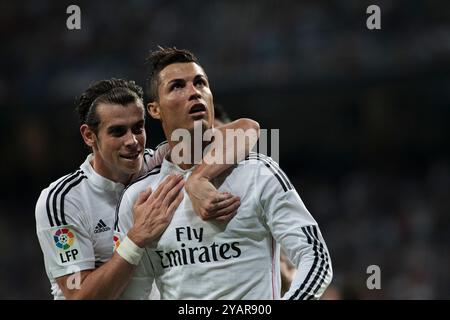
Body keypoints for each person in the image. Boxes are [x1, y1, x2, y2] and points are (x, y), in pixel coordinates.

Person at [115, 47, 332, 299]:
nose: (193, 92)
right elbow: (137, 293)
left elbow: (315, 258)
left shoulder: (258, 173)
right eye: (177, 86)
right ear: (154, 110)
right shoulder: (140, 198)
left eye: (200, 83)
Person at [35, 78, 260, 299]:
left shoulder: (160, 163)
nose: (132, 141)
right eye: (117, 131)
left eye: (138, 127)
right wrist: (136, 238)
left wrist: (198, 178)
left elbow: (247, 129)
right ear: (89, 136)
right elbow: (79, 296)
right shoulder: (63, 200)